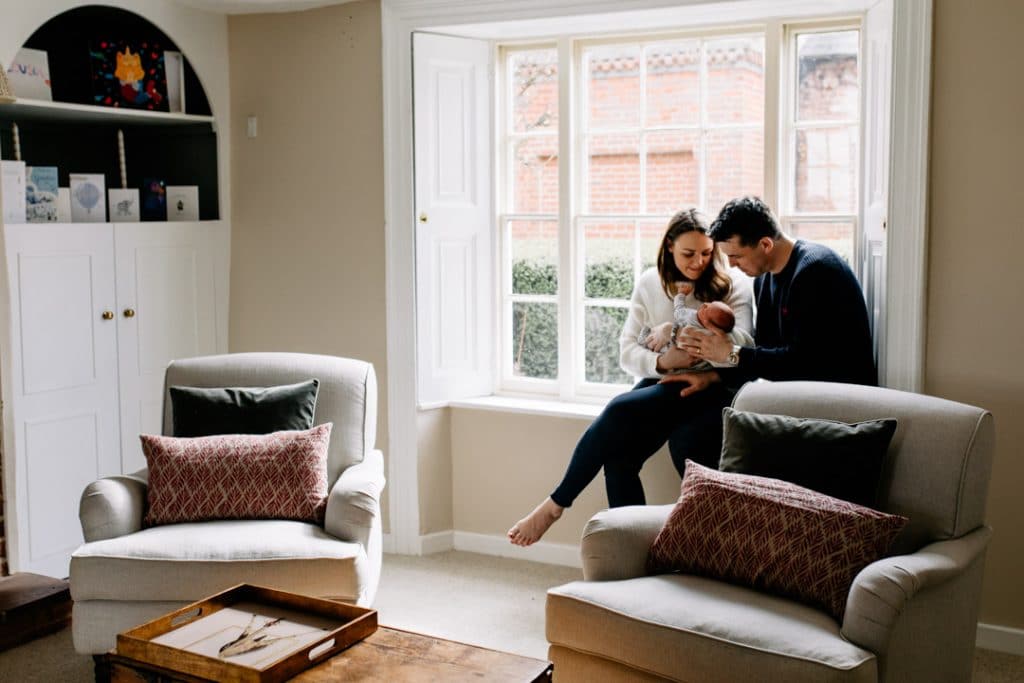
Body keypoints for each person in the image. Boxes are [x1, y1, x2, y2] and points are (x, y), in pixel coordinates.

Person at [508, 208, 754, 547]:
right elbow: (627, 351)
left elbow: (746, 344)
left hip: (711, 386)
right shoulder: (650, 283)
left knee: (620, 409)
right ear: (669, 246)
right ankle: (634, 549)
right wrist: (663, 361)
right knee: (619, 457)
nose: (698, 261)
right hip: (665, 380)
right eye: (688, 253)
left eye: (706, 252)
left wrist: (683, 331)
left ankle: (555, 504)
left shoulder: (733, 284)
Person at [664, 195, 877, 402]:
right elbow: (765, 353)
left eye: (736, 256)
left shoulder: (815, 271)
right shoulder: (763, 278)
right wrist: (712, 376)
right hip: (802, 394)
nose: (731, 265)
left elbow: (803, 362)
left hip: (841, 399)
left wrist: (732, 353)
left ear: (765, 244)